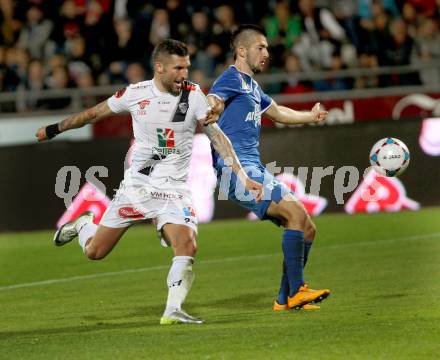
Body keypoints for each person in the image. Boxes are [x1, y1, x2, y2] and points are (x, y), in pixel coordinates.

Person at [35, 39, 263, 325]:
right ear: (159, 67)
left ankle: (173, 310)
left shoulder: (193, 96)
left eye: (187, 67)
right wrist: (54, 129)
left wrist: (242, 176)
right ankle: (84, 224)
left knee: (187, 244)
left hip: (175, 189)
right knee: (95, 252)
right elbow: (93, 114)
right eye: (178, 68)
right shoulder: (135, 93)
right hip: (137, 188)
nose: (184, 74)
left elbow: (218, 138)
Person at [207, 24, 330, 311]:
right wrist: (212, 105)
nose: (266, 53)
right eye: (260, 47)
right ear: (241, 50)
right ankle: (298, 290)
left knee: (307, 228)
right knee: (295, 214)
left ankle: (284, 299)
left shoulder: (252, 86)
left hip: (255, 168)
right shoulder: (231, 78)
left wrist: (310, 117)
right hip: (236, 170)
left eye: (267, 48)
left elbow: (278, 113)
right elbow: (214, 99)